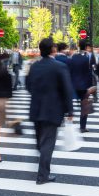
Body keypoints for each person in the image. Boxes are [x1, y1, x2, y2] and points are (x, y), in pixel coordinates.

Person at [27, 38, 74, 185]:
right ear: (53, 49)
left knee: (41, 142)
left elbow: (28, 86)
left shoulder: (34, 66)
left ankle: (43, 165)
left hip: (36, 108)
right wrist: (70, 110)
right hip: (52, 110)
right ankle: (42, 176)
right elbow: (67, 90)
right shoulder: (60, 67)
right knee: (48, 143)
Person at [68, 39, 94, 133]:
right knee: (84, 106)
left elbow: (70, 71)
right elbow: (88, 73)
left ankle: (70, 121)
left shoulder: (73, 57)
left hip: (74, 85)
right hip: (83, 86)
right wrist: (90, 86)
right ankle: (82, 127)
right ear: (85, 47)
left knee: (72, 106)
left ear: (78, 46)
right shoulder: (86, 59)